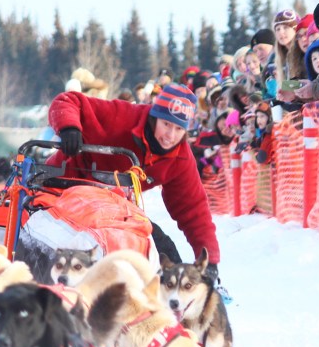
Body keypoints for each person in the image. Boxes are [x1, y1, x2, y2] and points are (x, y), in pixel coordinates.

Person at [48, 83, 221, 273]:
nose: (170, 136)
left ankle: (172, 291)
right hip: (61, 189)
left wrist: (210, 261)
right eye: (166, 125)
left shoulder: (180, 157)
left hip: (112, 210)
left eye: (178, 129)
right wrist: (69, 128)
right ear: (155, 118)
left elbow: (193, 208)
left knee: (162, 247)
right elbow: (68, 101)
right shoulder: (123, 116)